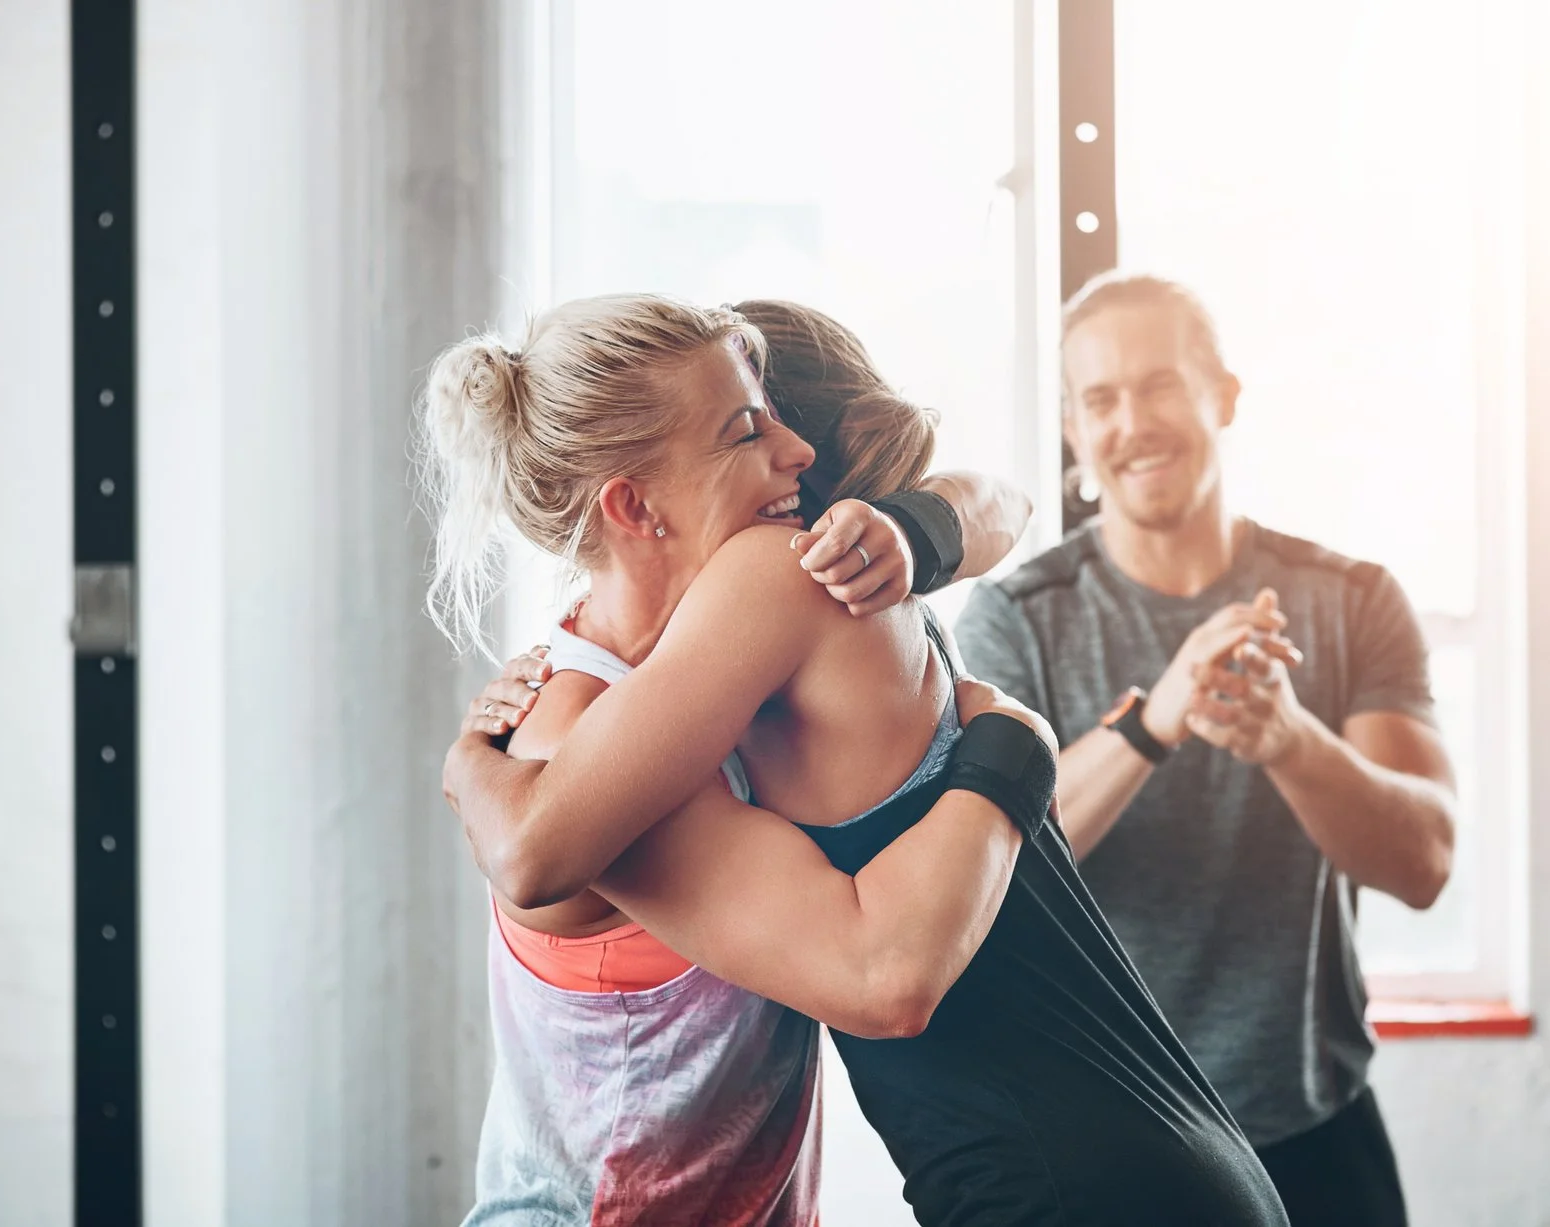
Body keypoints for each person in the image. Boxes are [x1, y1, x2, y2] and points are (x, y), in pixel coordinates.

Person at [440, 295, 1289, 1226]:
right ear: (635, 502)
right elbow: (534, 854)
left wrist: (921, 528)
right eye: (741, 433)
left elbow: (1002, 501)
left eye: (775, 421)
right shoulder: (628, 696)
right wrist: (1017, 746)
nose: (788, 459)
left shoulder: (786, 611)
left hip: (1075, 1182)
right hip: (1140, 1159)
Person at [955, 272, 1457, 1227]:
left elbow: (1425, 863)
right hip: (1106, 1145)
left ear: (1224, 396)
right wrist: (1154, 720)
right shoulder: (1016, 620)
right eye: (1100, 399)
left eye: (1161, 385)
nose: (1132, 422)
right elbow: (990, 871)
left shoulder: (1351, 599)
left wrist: (1289, 737)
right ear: (1073, 427)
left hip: (1317, 1133)